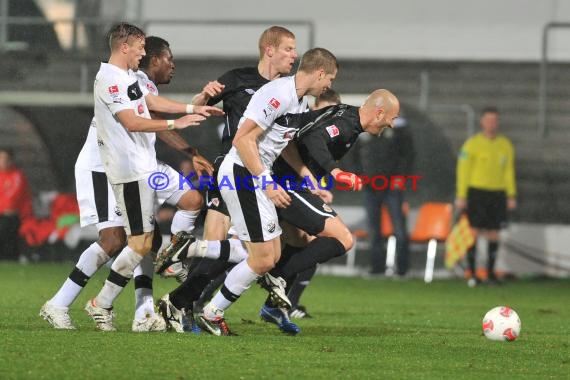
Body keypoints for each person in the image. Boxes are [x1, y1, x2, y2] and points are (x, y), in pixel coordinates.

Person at [39, 35, 216, 331]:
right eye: (167, 59)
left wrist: (191, 146)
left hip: (141, 165)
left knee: (189, 202)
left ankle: (157, 283)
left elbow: (158, 114)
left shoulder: (140, 83)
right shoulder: (117, 79)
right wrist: (185, 117)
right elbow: (146, 120)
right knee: (116, 240)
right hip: (104, 168)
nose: (173, 65)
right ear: (154, 59)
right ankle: (60, 303)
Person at [153, 26, 298, 333]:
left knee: (242, 252)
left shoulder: (289, 89)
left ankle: (183, 299)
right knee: (222, 247)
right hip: (232, 173)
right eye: (288, 49)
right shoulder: (238, 79)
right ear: (269, 49)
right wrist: (204, 94)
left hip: (261, 177)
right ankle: (186, 306)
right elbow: (200, 103)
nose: (293, 55)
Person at [196, 47, 339, 336]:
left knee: (268, 256)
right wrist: (267, 182)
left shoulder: (298, 102)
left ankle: (208, 302)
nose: (330, 86)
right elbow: (242, 138)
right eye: (330, 79)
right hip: (242, 173)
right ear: (320, 72)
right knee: (262, 258)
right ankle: (209, 306)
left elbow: (284, 145)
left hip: (256, 174)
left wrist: (309, 179)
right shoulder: (280, 94)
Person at [284, 88, 341, 318]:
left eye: (333, 113)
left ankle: (287, 303)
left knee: (309, 245)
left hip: (299, 192)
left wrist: (320, 189)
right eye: (324, 111)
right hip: (280, 191)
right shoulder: (303, 129)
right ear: (313, 107)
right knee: (252, 253)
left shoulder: (327, 136)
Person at [455, 106, 517, 286]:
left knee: (493, 233)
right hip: (477, 192)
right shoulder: (472, 144)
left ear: (498, 123)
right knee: (473, 231)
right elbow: (463, 171)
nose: (491, 124)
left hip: (497, 193)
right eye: (488, 120)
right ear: (482, 122)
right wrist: (461, 195)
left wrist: (511, 195)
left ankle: (490, 273)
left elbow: (509, 172)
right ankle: (472, 273)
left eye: (494, 121)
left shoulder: (505, 145)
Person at [355, 113, 415, 276]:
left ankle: (403, 269)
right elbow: (354, 155)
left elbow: (408, 154)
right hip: (370, 185)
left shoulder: (398, 129)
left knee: (399, 229)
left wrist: (401, 177)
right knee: (374, 230)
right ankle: (377, 268)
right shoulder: (363, 128)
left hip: (392, 185)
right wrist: (359, 176)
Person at [0, 147, 33, 261]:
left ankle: (9, 257)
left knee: (5, 223)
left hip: (17, 217)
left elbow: (11, 200)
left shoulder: (17, 176)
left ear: (11, 161)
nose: (2, 161)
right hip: (3, 214)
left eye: (4, 158)